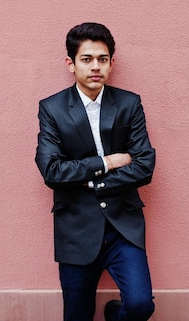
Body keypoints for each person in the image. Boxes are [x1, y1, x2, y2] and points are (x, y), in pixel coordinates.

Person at [35, 22, 156, 321]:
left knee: (141, 305)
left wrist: (88, 182)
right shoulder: (52, 108)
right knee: (77, 316)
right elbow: (51, 170)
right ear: (70, 63)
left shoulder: (129, 104)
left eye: (102, 59)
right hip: (75, 228)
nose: (95, 67)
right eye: (86, 59)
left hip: (122, 226)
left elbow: (144, 166)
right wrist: (108, 162)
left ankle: (116, 315)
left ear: (112, 63)